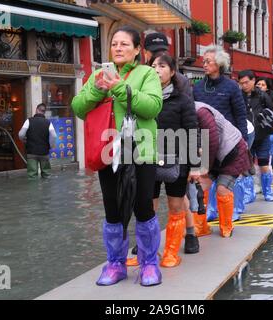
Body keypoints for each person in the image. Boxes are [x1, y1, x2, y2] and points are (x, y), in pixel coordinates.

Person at [71, 26, 163, 287]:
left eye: (125, 44)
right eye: (114, 44)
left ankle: (149, 264)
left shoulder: (147, 74)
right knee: (112, 208)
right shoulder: (99, 74)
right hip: (108, 151)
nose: (119, 48)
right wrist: (98, 90)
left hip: (141, 151)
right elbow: (78, 107)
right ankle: (115, 264)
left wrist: (120, 88)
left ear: (137, 51)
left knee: (143, 207)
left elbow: (153, 107)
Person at [150, 52, 199, 266]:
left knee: (176, 205)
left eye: (161, 66)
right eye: (153, 66)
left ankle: (171, 251)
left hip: (177, 159)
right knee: (146, 206)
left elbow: (193, 132)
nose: (156, 70)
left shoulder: (184, 100)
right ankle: (149, 250)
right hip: (147, 158)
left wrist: (196, 166)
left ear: (171, 71)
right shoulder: (143, 98)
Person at [190, 101, 252, 238]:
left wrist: (205, 167)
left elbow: (212, 142)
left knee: (222, 189)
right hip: (211, 156)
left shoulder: (201, 112)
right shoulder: (181, 115)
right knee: (199, 185)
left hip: (232, 152)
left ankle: (226, 227)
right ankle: (200, 227)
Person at [193, 45, 248, 142]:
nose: (204, 65)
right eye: (203, 62)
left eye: (208, 61)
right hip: (205, 139)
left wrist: (243, 140)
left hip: (227, 138)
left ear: (219, 63)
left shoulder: (232, 86)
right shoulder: (197, 87)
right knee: (207, 158)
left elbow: (240, 115)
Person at [238, 70, 273, 202]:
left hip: (262, 135)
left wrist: (272, 130)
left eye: (246, 82)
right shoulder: (237, 96)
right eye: (241, 83)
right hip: (245, 136)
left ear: (253, 80)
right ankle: (249, 193)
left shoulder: (262, 95)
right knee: (246, 166)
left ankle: (267, 191)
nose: (244, 85)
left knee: (264, 163)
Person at [143, 32, 192, 98]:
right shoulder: (138, 78)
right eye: (154, 52)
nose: (159, 56)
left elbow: (188, 105)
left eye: (163, 52)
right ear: (144, 52)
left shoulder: (182, 81)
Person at [255, 77, 273, 191]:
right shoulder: (252, 97)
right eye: (259, 84)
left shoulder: (271, 97)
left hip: (271, 131)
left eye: (263, 84)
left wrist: (270, 122)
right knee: (259, 159)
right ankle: (262, 184)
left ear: (267, 87)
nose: (260, 86)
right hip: (257, 131)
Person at [18, 103, 56, 179]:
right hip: (44, 152)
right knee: (47, 175)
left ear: (36, 110)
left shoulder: (29, 121)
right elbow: (54, 136)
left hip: (31, 152)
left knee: (32, 176)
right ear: (44, 112)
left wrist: (24, 140)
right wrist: (50, 146)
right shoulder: (48, 122)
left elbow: (21, 134)